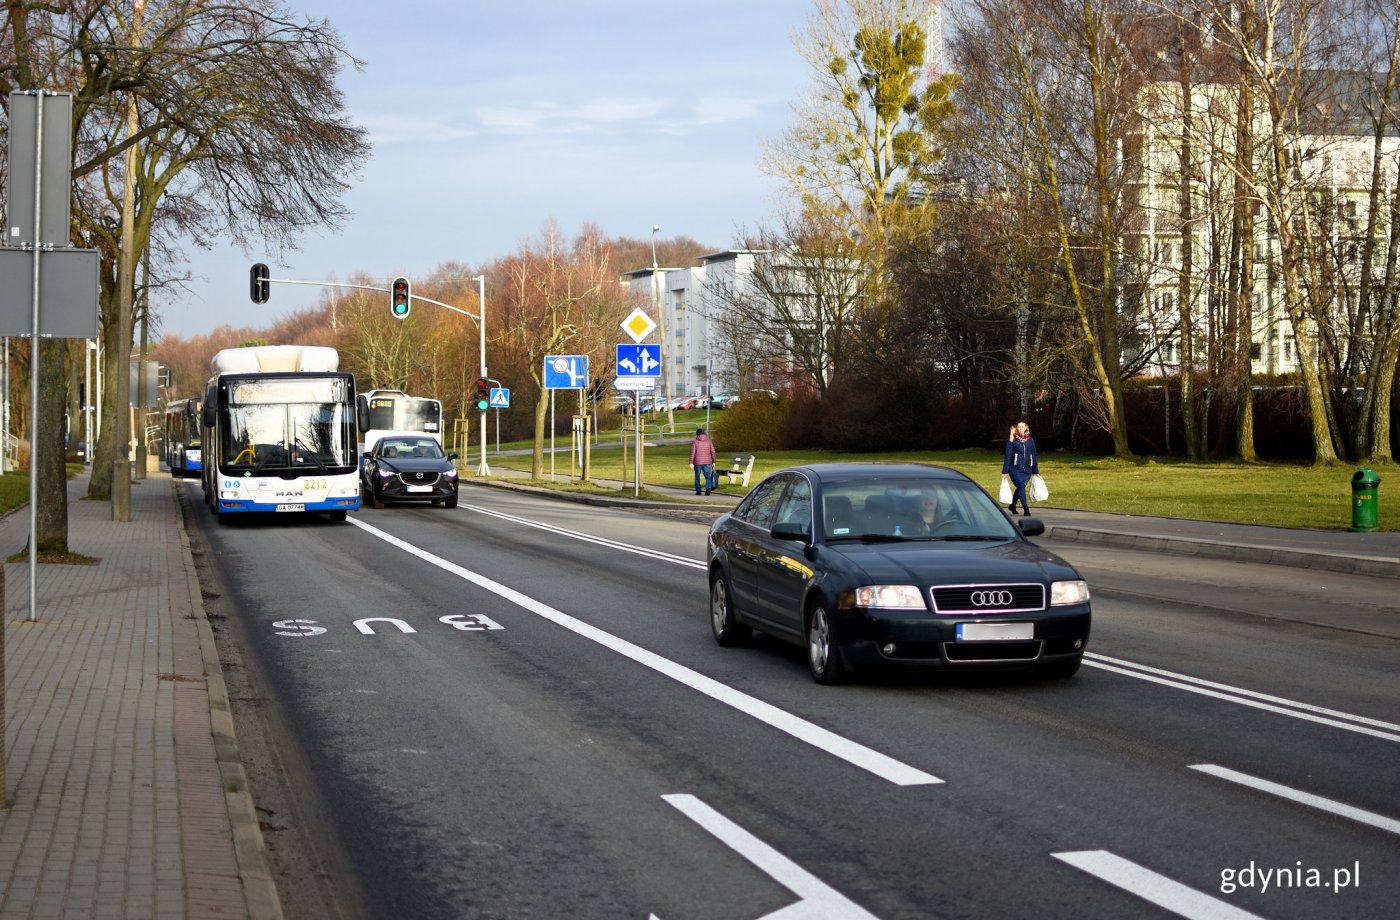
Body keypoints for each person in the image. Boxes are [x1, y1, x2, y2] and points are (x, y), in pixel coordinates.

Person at [1001, 420, 1039, 516]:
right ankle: (1026, 509)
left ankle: (1012, 506)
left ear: (1026, 428)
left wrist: (1035, 470)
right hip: (1015, 469)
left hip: (1027, 470)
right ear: (1016, 428)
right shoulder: (1012, 440)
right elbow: (1008, 456)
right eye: (1019, 427)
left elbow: (1033, 454)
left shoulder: (1030, 439)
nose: (1020, 428)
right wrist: (1005, 471)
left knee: (1020, 488)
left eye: (1022, 427)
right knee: (1021, 486)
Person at [689, 427, 718, 495]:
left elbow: (692, 453)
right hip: (707, 462)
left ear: (697, 434)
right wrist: (714, 461)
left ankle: (698, 491)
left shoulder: (695, 441)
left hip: (697, 462)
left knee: (697, 477)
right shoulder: (709, 441)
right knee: (708, 476)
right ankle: (708, 488)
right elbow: (713, 452)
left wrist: (691, 462)